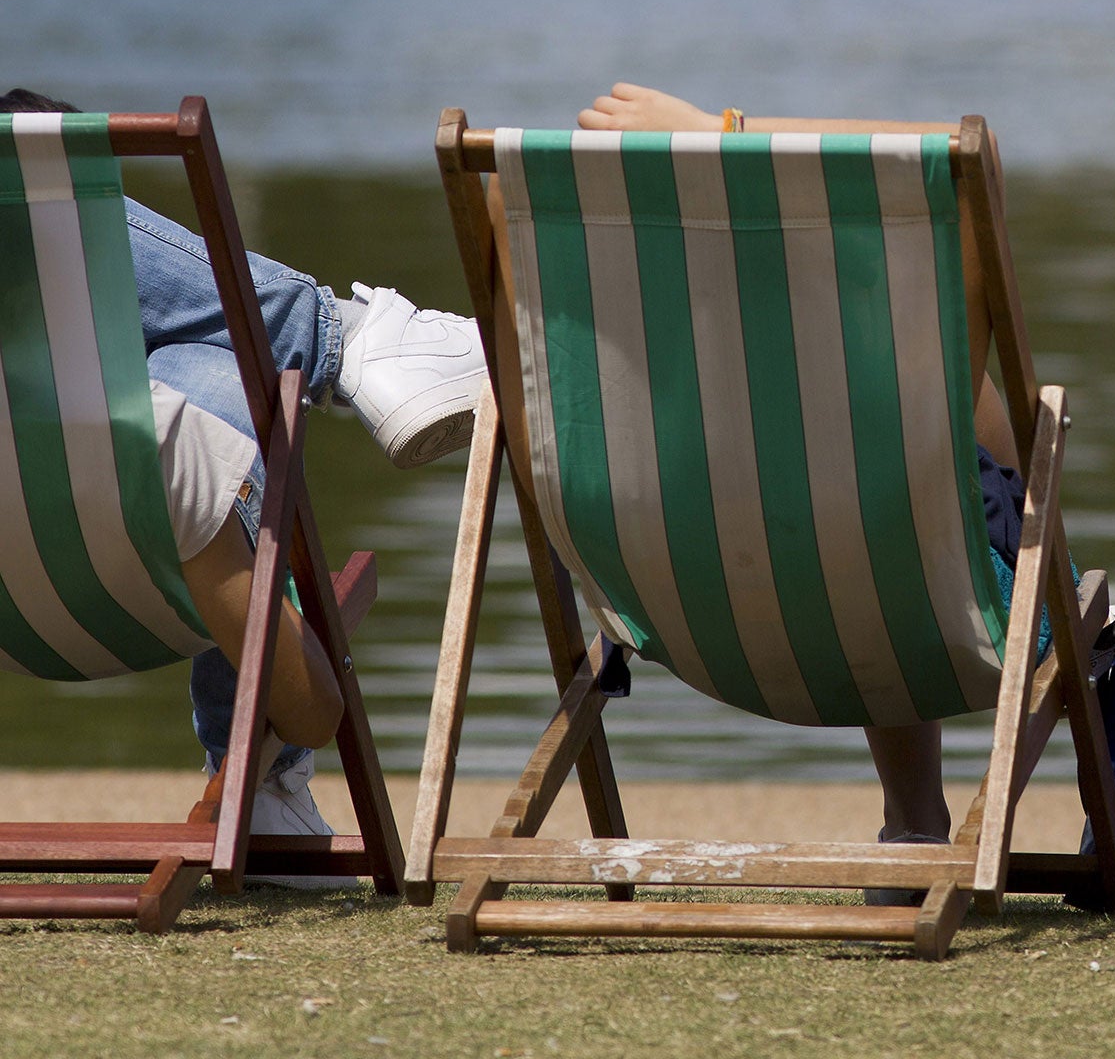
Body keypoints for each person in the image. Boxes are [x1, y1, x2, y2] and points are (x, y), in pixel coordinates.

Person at [579, 83, 1048, 889]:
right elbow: (969, 151)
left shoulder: (638, 392)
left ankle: (913, 820)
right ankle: (925, 824)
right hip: (902, 583)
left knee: (879, 497)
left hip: (677, 615)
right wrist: (719, 131)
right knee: (908, 504)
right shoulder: (872, 387)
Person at [2, 89, 486, 862]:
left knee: (203, 366)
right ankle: (343, 339)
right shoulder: (167, 448)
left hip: (22, 612)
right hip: (155, 575)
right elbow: (314, 708)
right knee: (39, 189)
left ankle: (353, 343)